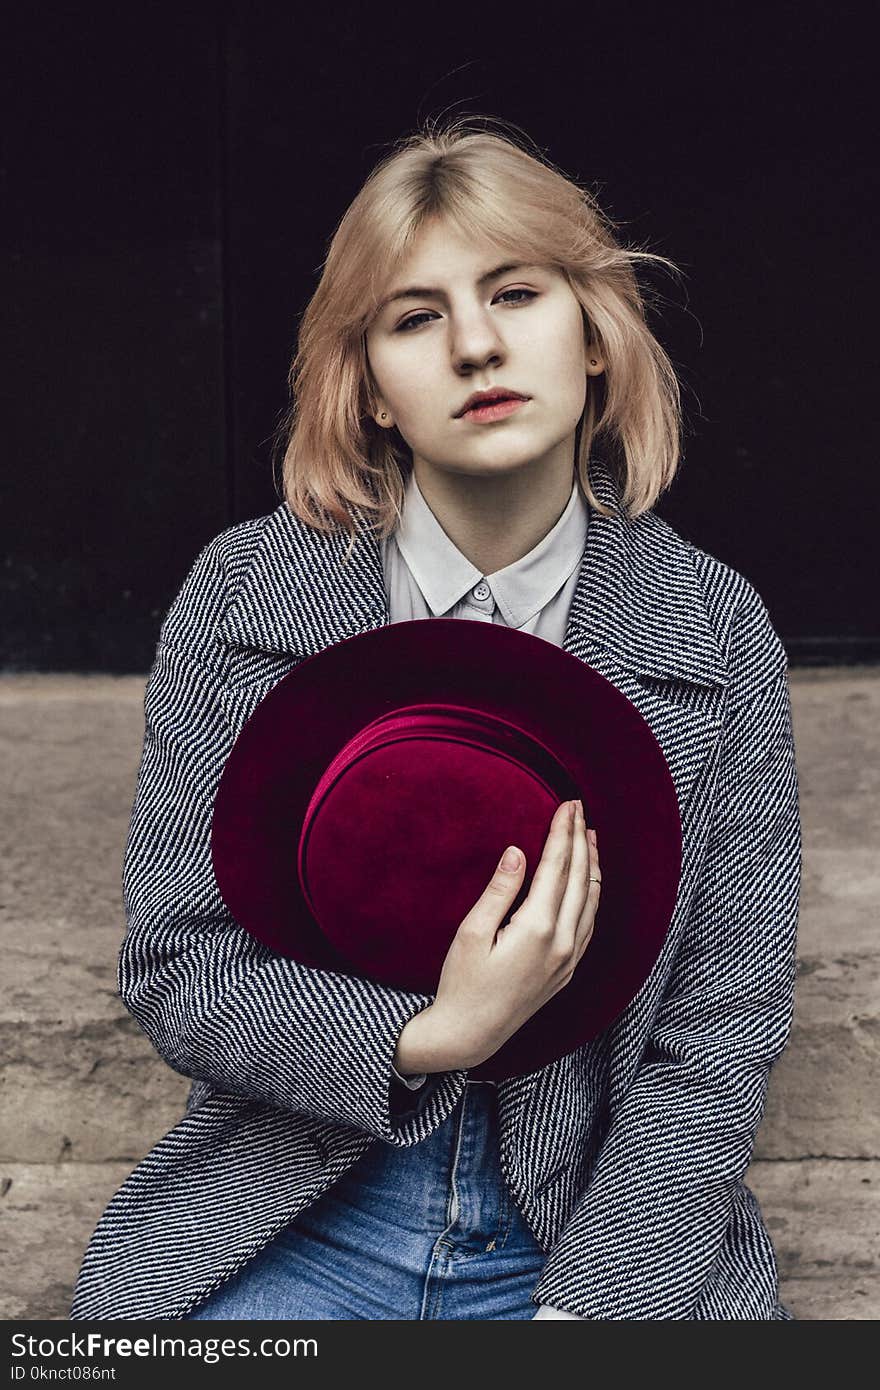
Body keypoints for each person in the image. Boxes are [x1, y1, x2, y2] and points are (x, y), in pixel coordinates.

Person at [70, 117, 801, 1321]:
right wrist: (430, 1032)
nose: (474, 345)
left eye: (514, 293)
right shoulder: (244, 597)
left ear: (596, 337)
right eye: (415, 317)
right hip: (299, 1216)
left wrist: (587, 1313)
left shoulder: (714, 630)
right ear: (365, 392)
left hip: (586, 1236)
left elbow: (715, 1041)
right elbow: (178, 962)